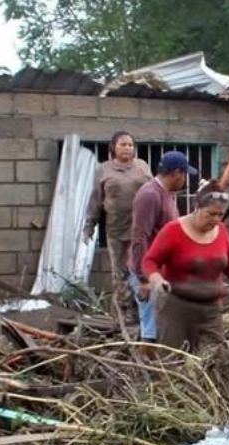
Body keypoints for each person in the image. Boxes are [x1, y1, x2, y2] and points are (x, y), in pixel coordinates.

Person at [141, 182, 229, 353]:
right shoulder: (173, 231)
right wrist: (157, 280)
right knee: (174, 360)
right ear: (197, 207)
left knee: (215, 358)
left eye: (220, 215)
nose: (215, 220)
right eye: (210, 214)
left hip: (210, 310)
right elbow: (150, 261)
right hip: (176, 308)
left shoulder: (221, 231)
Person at [83, 131, 151, 326]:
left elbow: (155, 191)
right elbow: (96, 200)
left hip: (141, 229)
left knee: (140, 270)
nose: (128, 148)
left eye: (130, 144)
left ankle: (141, 311)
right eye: (123, 144)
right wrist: (90, 224)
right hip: (116, 230)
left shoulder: (142, 167)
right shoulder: (104, 170)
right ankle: (123, 313)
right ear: (113, 147)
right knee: (121, 273)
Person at [129, 151, 196, 343]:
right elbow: (139, 236)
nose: (185, 180)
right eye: (185, 174)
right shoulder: (150, 195)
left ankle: (158, 363)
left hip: (160, 268)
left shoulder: (167, 194)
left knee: (161, 323)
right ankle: (148, 369)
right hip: (149, 271)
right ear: (176, 173)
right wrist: (144, 277)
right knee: (151, 326)